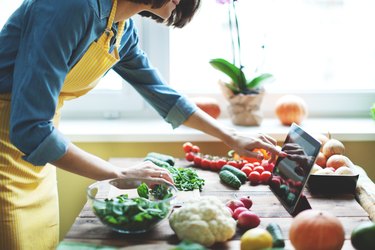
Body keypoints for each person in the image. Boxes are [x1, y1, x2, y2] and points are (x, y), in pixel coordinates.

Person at [0, 0, 285, 249]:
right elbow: (29, 127)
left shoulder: (120, 28)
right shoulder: (71, 6)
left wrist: (232, 136)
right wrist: (119, 173)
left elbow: (162, 94)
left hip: (36, 155)